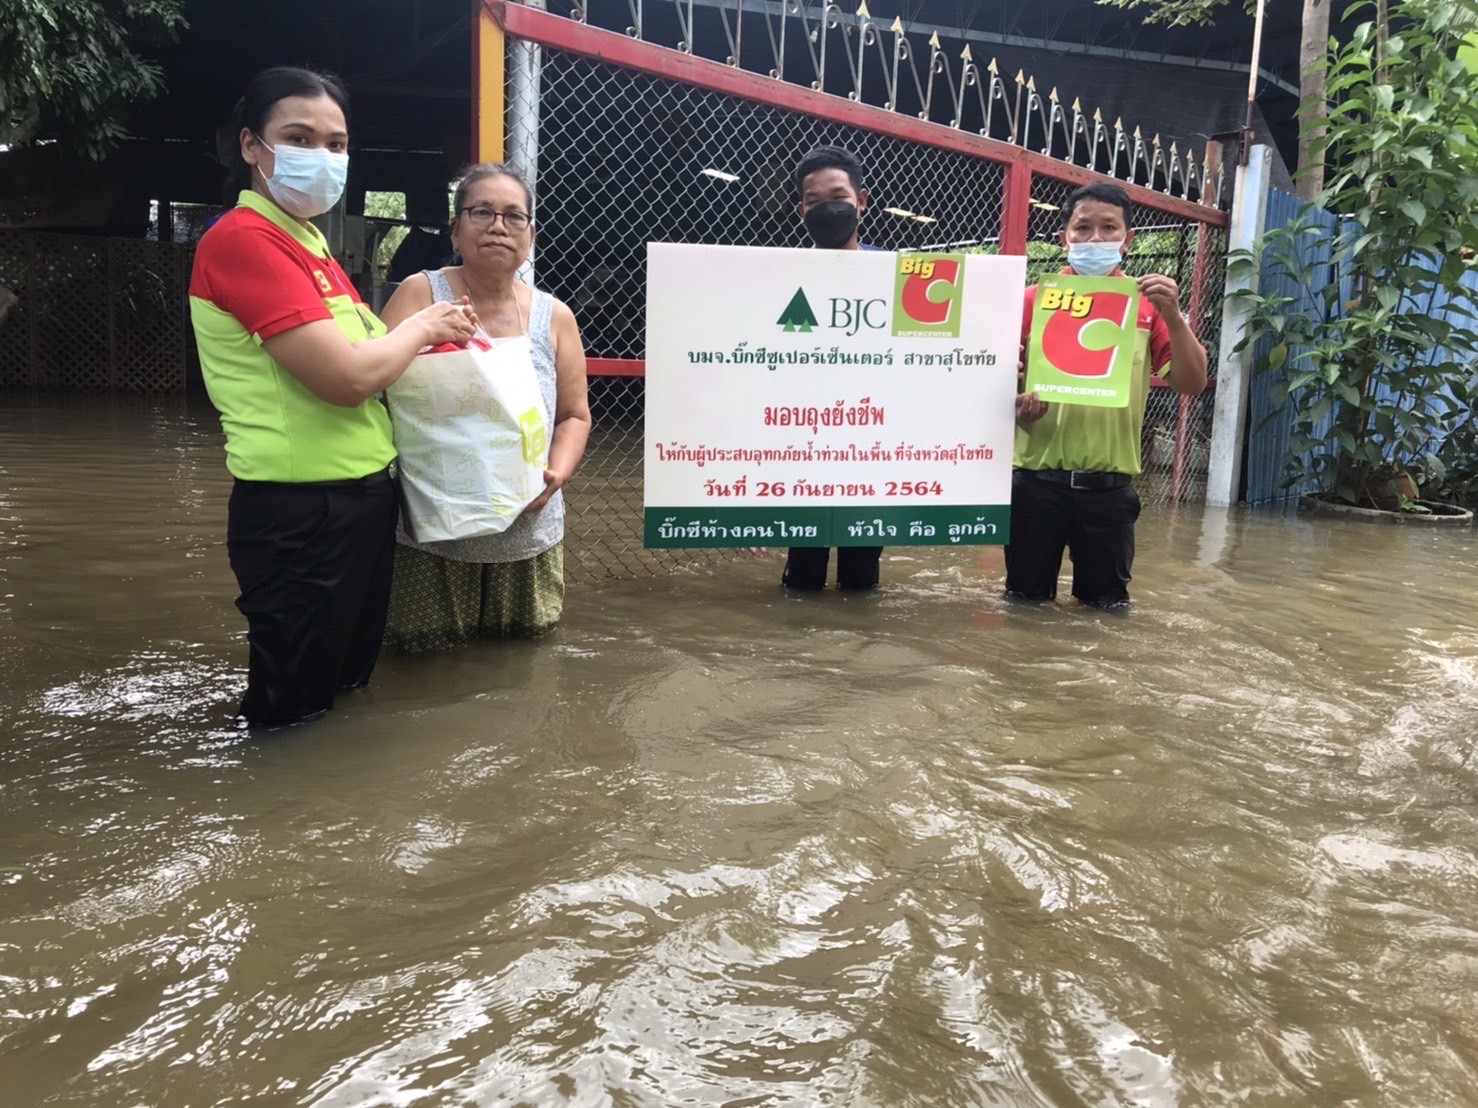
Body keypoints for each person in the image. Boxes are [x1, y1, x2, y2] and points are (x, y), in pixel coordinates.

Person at [189, 67, 477, 728]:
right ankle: (279, 820)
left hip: (358, 499)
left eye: (337, 143)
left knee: (343, 687)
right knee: (290, 714)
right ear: (251, 146)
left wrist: (427, 340)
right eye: (298, 136)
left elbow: (372, 356)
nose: (321, 157)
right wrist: (424, 326)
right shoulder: (245, 240)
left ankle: (339, 814)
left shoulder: (308, 244)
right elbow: (345, 380)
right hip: (302, 509)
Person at [380, 163, 591, 653]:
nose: (499, 226)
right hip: (431, 529)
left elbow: (574, 415)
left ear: (531, 235)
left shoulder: (553, 316)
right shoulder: (421, 293)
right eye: (482, 212)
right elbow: (376, 387)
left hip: (527, 529)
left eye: (514, 216)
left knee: (522, 660)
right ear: (455, 228)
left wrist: (556, 473)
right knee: (420, 659)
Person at [1009, 182, 1209, 608]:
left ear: (1127, 239)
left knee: (1107, 612)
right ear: (1064, 238)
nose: (1094, 239)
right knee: (1022, 606)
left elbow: (1191, 384)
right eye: (1082, 228)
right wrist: (1015, 400)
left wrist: (1175, 316)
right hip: (1033, 486)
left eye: (1108, 228)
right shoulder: (1029, 301)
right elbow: (988, 384)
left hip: (1109, 490)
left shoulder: (1150, 306)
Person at [780, 145, 886, 592]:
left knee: (862, 579)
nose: (828, 209)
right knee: (801, 575)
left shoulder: (896, 277)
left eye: (838, 196)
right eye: (815, 201)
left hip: (872, 447)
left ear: (862, 200)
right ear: (800, 208)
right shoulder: (776, 277)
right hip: (802, 444)